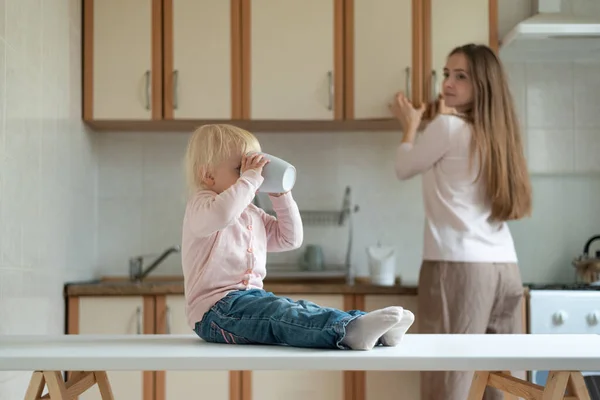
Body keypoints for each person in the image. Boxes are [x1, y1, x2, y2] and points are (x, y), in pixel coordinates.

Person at [181, 123, 415, 350]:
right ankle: (348, 331)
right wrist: (250, 179)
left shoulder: (251, 213)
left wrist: (281, 196)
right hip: (214, 313)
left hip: (249, 302)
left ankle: (365, 327)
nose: (252, 176)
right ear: (208, 175)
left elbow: (290, 238)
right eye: (240, 170)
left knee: (294, 309)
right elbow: (224, 213)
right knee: (278, 314)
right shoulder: (202, 206)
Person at [389, 43, 532, 400]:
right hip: (505, 269)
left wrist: (410, 126)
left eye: (461, 76)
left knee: (449, 377)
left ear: (481, 84)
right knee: (501, 380)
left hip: (457, 267)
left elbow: (404, 167)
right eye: (447, 73)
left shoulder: (447, 126)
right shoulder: (500, 134)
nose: (448, 83)